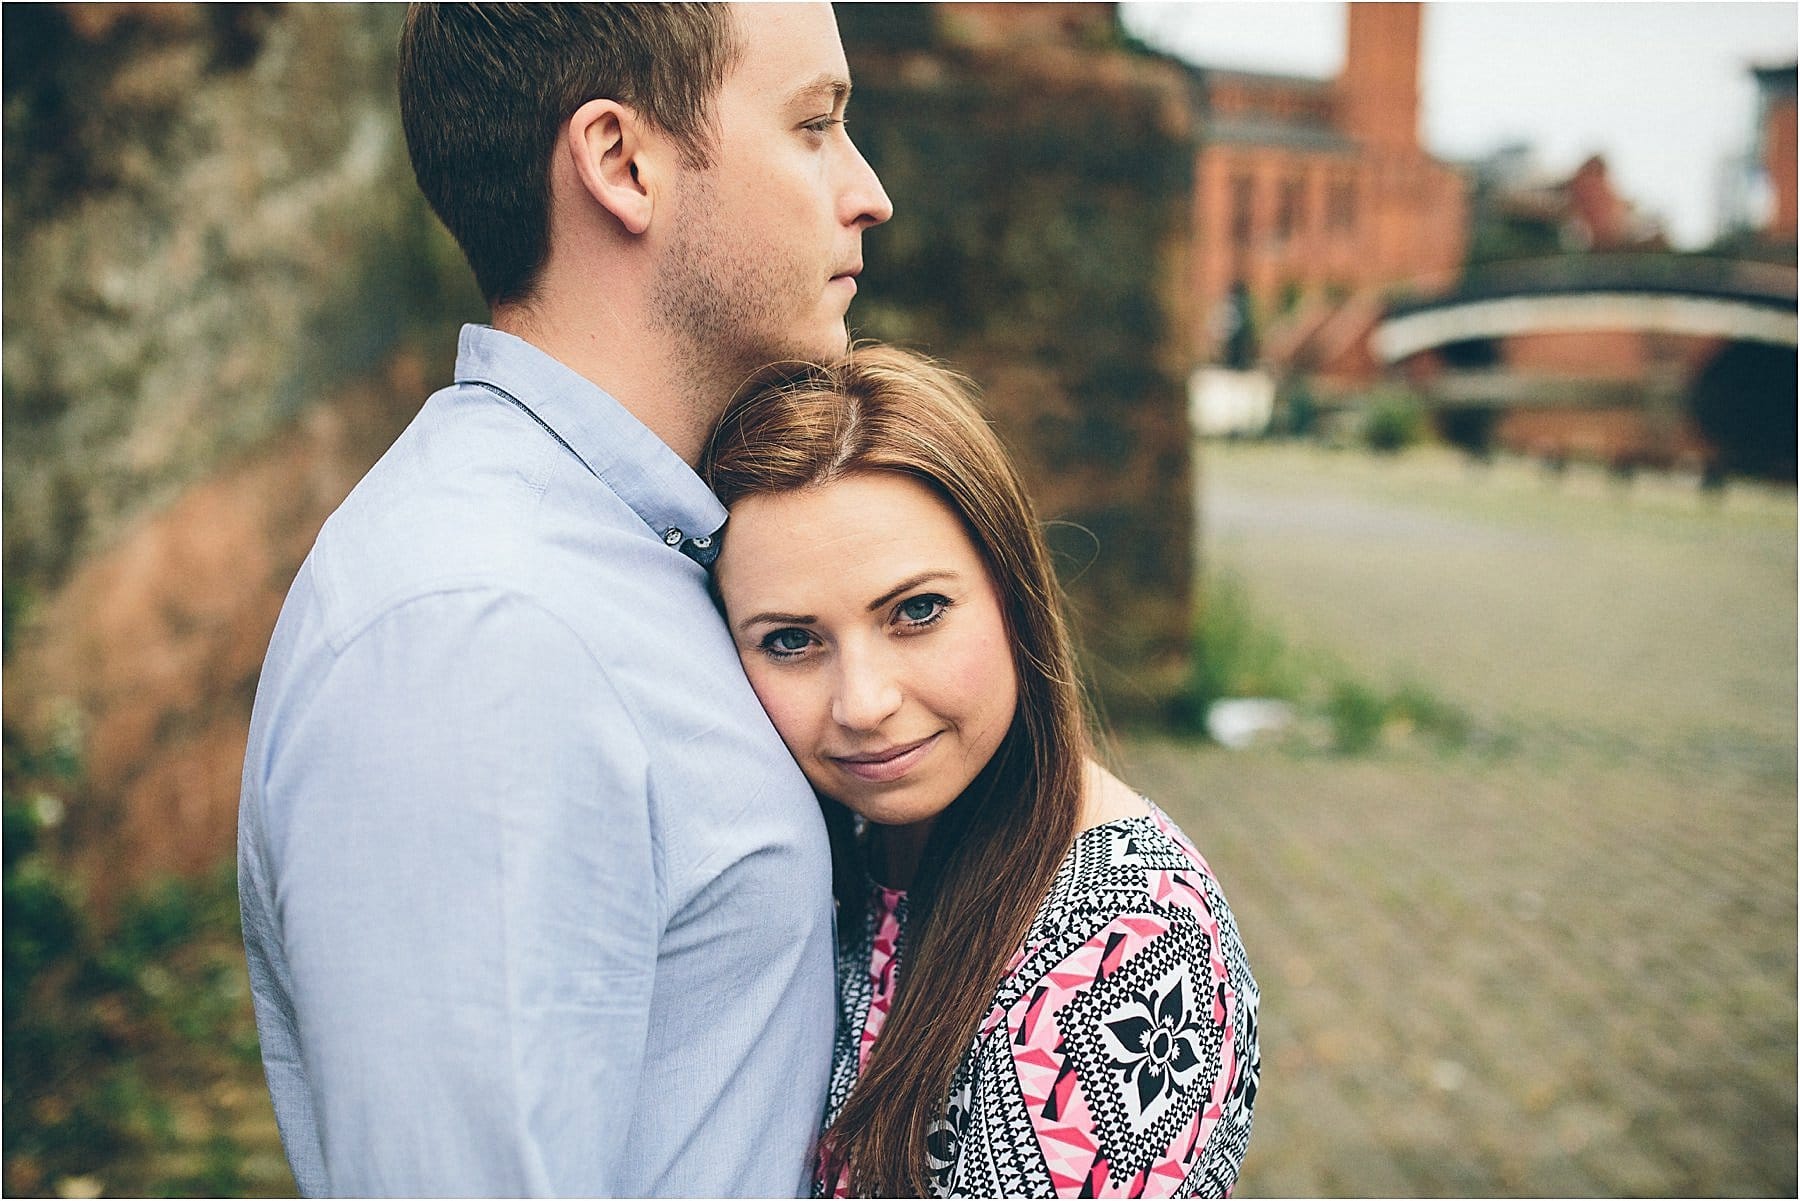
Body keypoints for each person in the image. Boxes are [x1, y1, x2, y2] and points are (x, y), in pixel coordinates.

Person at [236, 4, 891, 1195]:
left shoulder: (632, 548)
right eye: (816, 124)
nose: (869, 191)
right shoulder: (476, 631)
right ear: (620, 163)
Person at [701, 347, 1260, 1198]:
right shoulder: (845, 844)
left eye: (916, 611)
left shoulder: (1131, 944)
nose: (864, 701)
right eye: (791, 640)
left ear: (1012, 591)